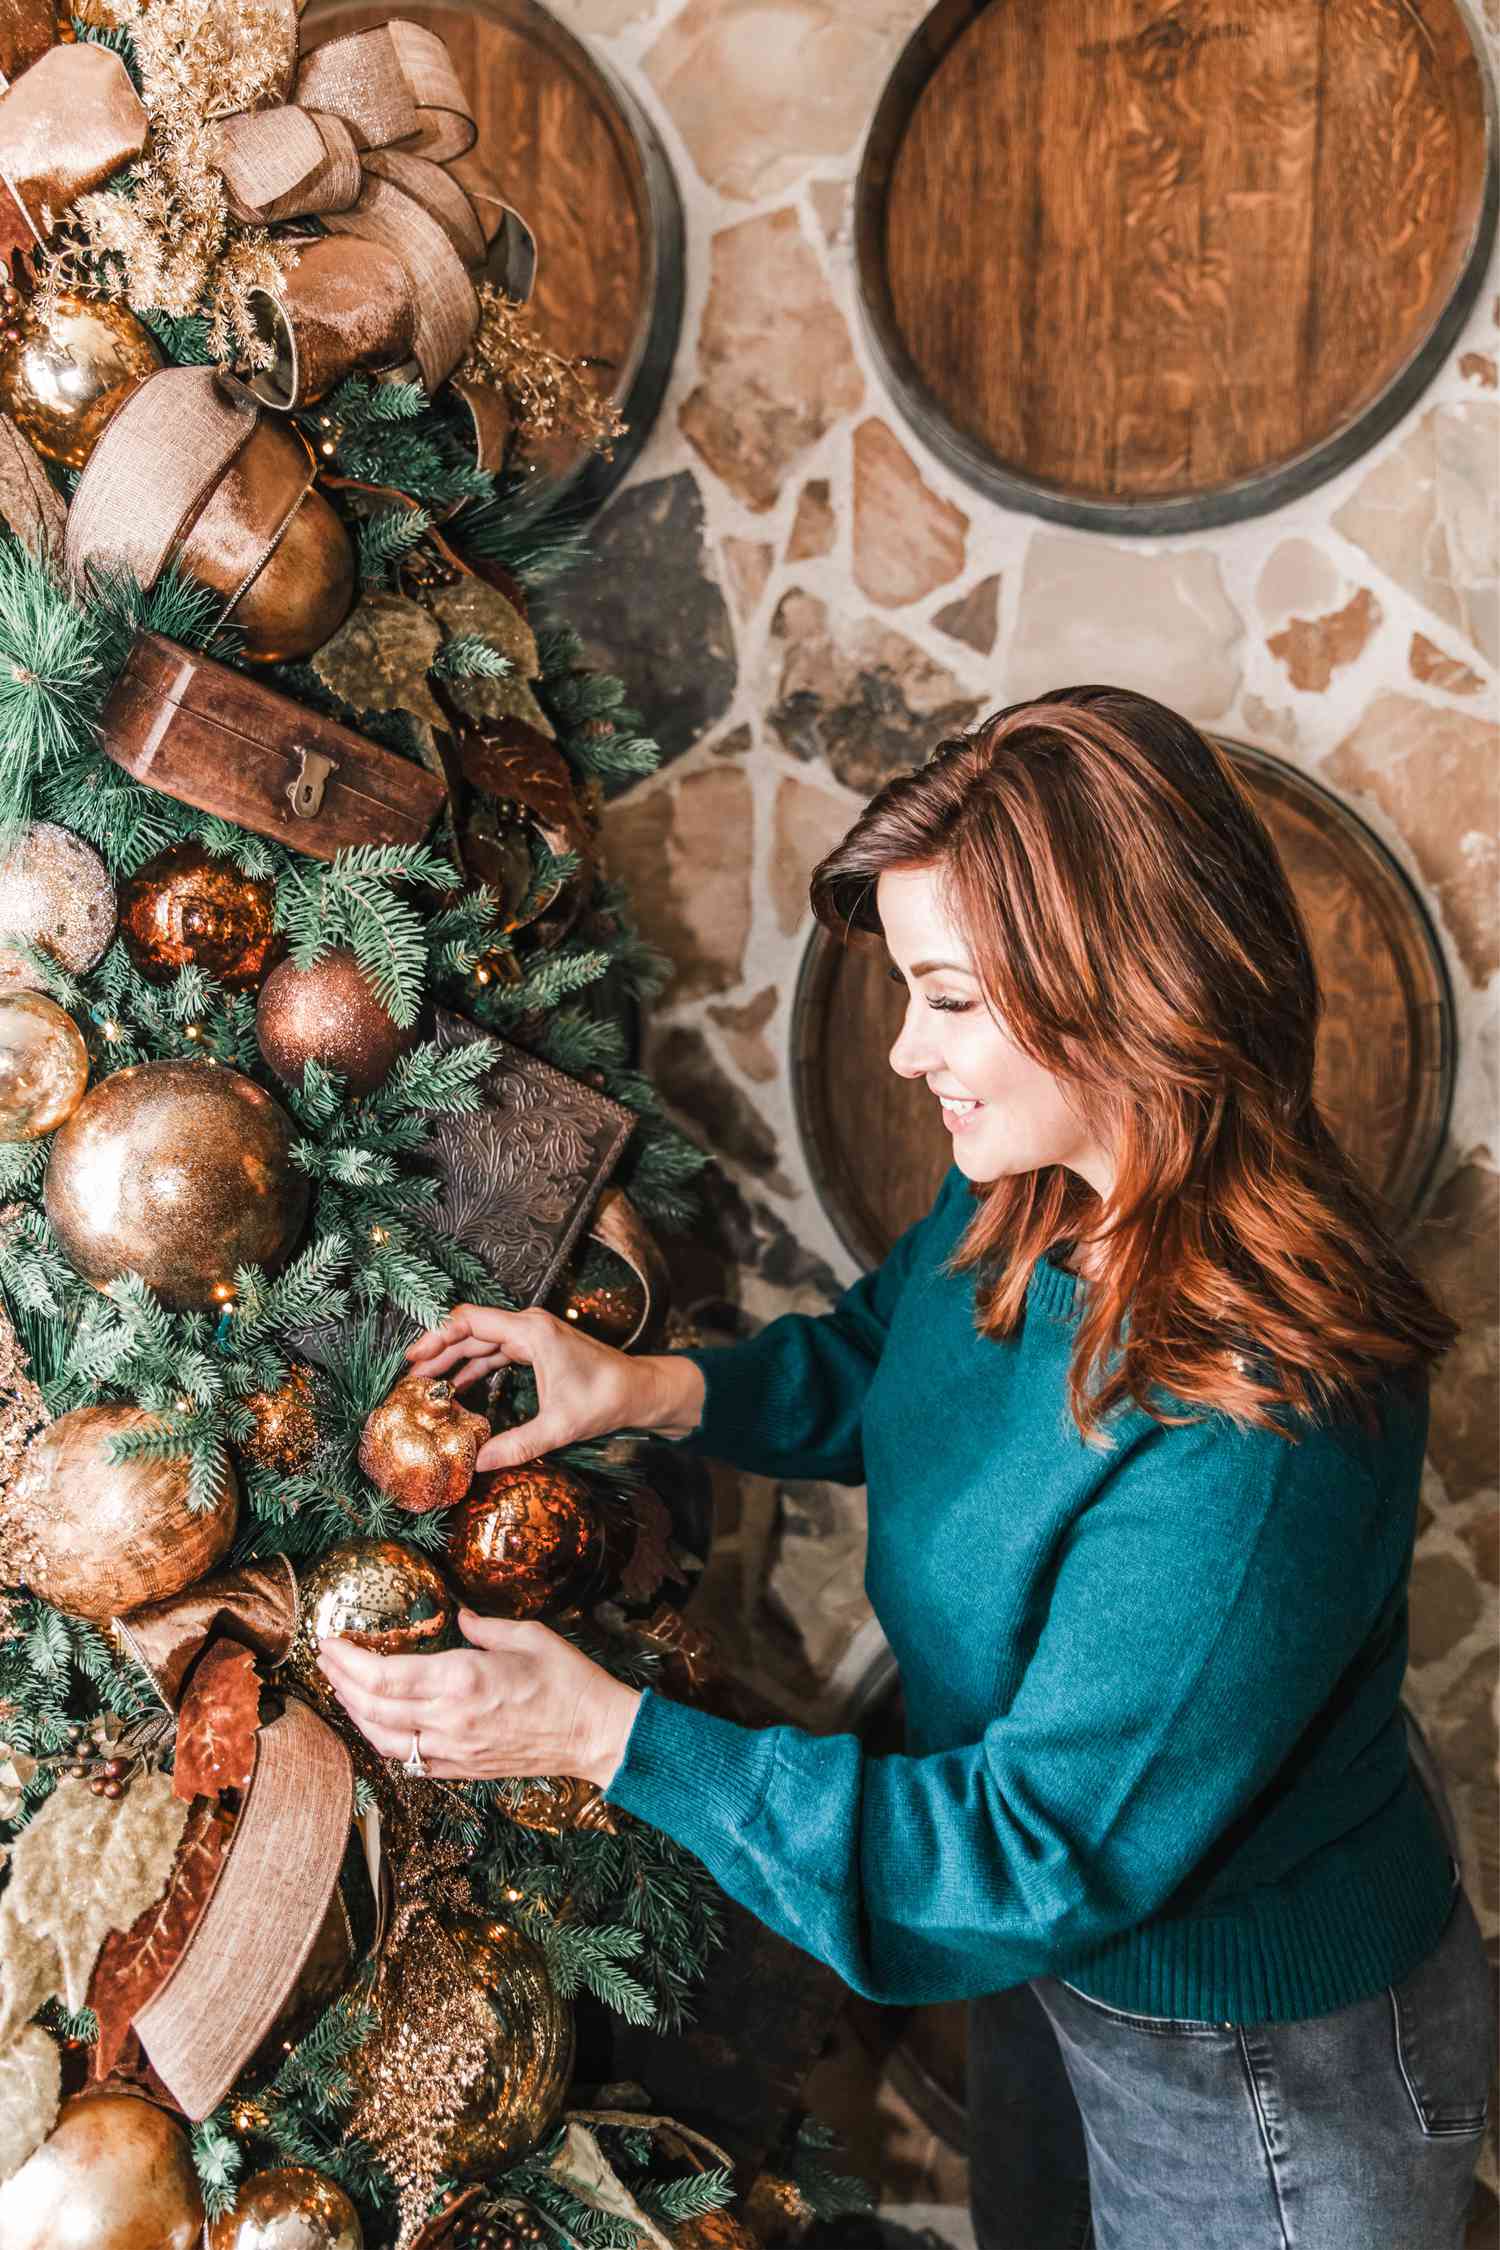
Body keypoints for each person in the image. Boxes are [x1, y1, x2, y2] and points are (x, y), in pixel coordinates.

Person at [316, 687, 1492, 2250]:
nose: (899, 1044)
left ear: (1118, 995)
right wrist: (654, 1389)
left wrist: (609, 1735)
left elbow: (1026, 1846)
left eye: (946, 998)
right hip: (1055, 1952)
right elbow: (903, 1356)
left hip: (1256, 2065)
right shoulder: (1046, 1186)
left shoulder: (1261, 1419)